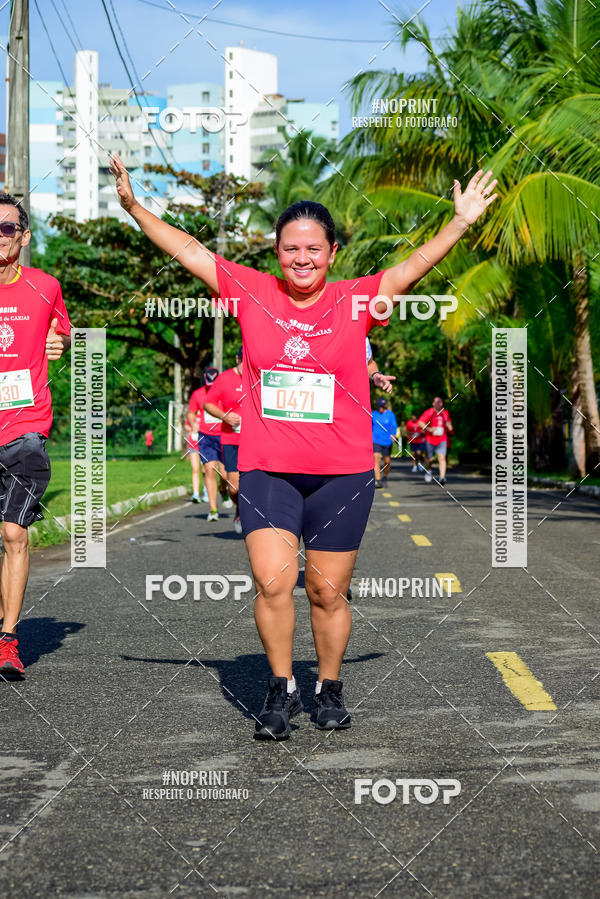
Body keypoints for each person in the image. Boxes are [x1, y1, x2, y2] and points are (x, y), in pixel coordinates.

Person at [110, 154, 497, 739]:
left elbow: (411, 267)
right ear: (277, 252)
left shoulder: (357, 300)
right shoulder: (252, 290)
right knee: (271, 582)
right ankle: (280, 687)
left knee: (325, 590)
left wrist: (462, 221)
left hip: (342, 474)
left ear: (332, 253)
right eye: (291, 248)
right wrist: (136, 206)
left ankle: (330, 687)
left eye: (314, 248)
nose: (302, 258)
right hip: (268, 469)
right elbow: (188, 250)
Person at [0, 193, 71, 678]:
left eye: (7, 228)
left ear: (23, 238)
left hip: (25, 428)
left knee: (13, 533)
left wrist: (61, 342)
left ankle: (7, 639)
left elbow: (64, 336)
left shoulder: (45, 287)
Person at [202, 348, 243, 534]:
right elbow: (208, 403)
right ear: (237, 358)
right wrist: (225, 416)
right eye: (242, 360)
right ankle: (239, 508)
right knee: (233, 487)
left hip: (256, 440)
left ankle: (256, 519)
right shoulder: (225, 378)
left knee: (257, 484)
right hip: (230, 439)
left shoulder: (259, 376)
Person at [187, 366, 233, 519]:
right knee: (209, 468)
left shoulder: (225, 392)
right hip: (206, 436)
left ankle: (223, 491)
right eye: (208, 385)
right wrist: (193, 423)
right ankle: (213, 508)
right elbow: (191, 412)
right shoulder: (198, 394)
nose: (211, 388)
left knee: (226, 474)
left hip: (224, 435)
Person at [417, 396, 454, 485]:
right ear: (433, 404)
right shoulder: (429, 412)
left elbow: (449, 424)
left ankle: (442, 478)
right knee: (430, 459)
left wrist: (449, 426)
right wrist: (429, 429)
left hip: (442, 439)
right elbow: (420, 422)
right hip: (430, 439)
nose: (438, 404)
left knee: (442, 457)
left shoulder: (445, 413)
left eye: (440, 402)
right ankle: (429, 470)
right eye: (437, 402)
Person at [372, 397, 398, 488]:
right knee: (376, 458)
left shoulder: (390, 415)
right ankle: (378, 480)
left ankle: (385, 476)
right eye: (379, 406)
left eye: (382, 406)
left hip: (387, 441)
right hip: (375, 440)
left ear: (385, 406)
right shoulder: (373, 414)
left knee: (387, 461)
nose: (381, 408)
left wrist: (393, 435)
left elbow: (394, 426)